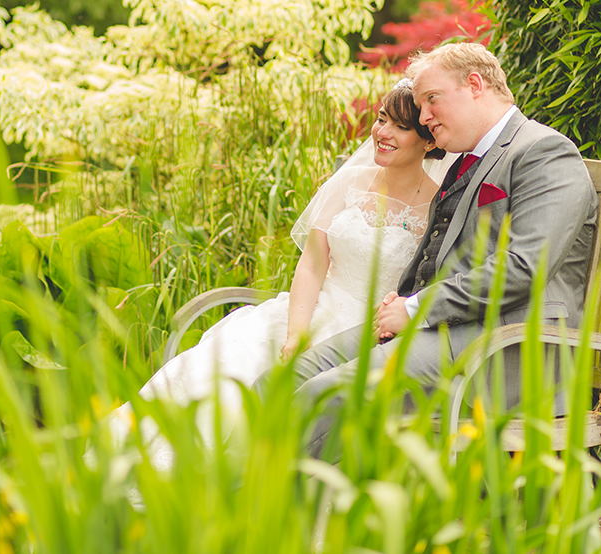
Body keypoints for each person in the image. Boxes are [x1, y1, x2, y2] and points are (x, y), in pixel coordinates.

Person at [106, 81, 452, 468]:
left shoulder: (439, 207)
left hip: (369, 332)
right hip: (311, 307)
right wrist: (296, 332)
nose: (383, 133)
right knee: (226, 367)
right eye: (381, 119)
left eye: (401, 127)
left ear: (428, 141)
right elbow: (312, 264)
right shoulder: (350, 182)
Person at [282, 42, 599, 457]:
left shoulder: (543, 152)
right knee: (285, 378)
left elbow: (523, 267)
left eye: (431, 100)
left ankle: (272, 515)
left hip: (506, 348)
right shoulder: (465, 161)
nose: (424, 116)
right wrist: (406, 299)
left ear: (474, 85)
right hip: (446, 331)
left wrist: (416, 309)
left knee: (323, 395)